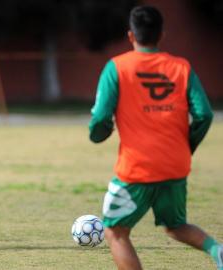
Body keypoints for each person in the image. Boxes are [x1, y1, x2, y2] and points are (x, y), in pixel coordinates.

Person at [89, 5, 222, 270]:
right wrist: (187, 145)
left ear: (130, 36)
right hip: (175, 165)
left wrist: (99, 134)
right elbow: (205, 115)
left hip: (137, 169)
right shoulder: (181, 67)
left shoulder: (117, 68)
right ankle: (217, 250)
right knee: (175, 226)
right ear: (161, 34)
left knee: (115, 232)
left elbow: (101, 119)